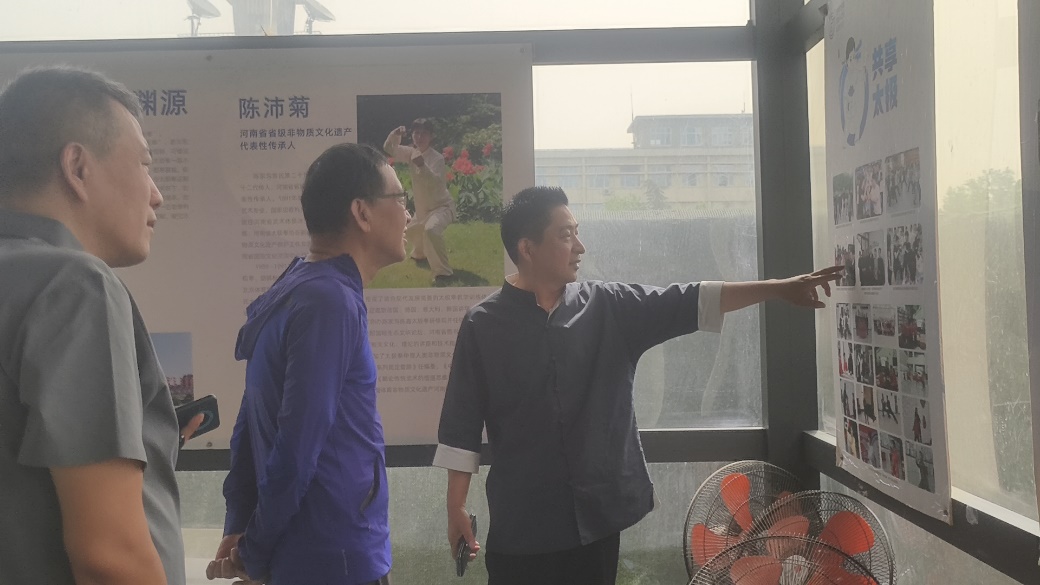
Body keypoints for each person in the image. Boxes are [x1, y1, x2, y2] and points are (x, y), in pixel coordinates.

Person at [433, 186, 843, 585]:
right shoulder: (482, 324)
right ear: (527, 248)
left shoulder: (608, 306)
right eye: (566, 235)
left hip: (595, 525)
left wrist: (779, 288)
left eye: (577, 232)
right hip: (521, 526)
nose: (580, 247)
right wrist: (455, 508)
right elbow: (461, 426)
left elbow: (690, 299)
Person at [0, 66, 202, 585]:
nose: (156, 194)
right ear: (77, 167)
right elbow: (109, 555)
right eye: (144, 164)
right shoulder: (73, 285)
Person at [207, 143, 409, 585]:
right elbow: (298, 446)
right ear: (362, 212)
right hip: (335, 557)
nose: (408, 214)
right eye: (399, 198)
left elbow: (249, 419)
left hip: (309, 556)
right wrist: (253, 551)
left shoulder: (297, 287)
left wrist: (242, 525)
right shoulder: (330, 301)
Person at [384, 118, 456, 283]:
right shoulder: (411, 153)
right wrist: (395, 134)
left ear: (431, 136)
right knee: (408, 230)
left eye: (424, 133)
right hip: (423, 210)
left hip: (442, 207)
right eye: (417, 133)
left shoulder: (437, 158)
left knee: (431, 230)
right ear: (412, 135)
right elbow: (389, 148)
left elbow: (437, 184)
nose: (420, 137)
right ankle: (420, 254)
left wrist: (423, 166)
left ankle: (443, 273)